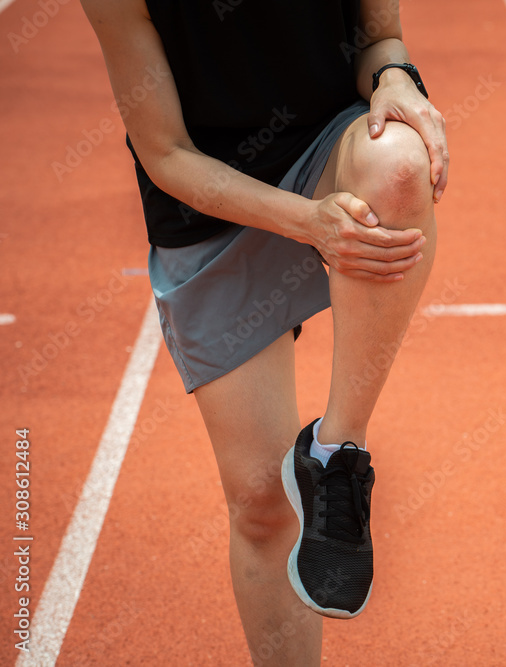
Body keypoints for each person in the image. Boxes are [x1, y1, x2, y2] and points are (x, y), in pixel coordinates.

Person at [81, 0, 447, 663]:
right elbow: (165, 152)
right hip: (207, 205)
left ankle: (336, 452)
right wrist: (309, 223)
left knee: (398, 164)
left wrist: (396, 79)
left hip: (327, 152)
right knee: (258, 501)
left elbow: (380, 39)